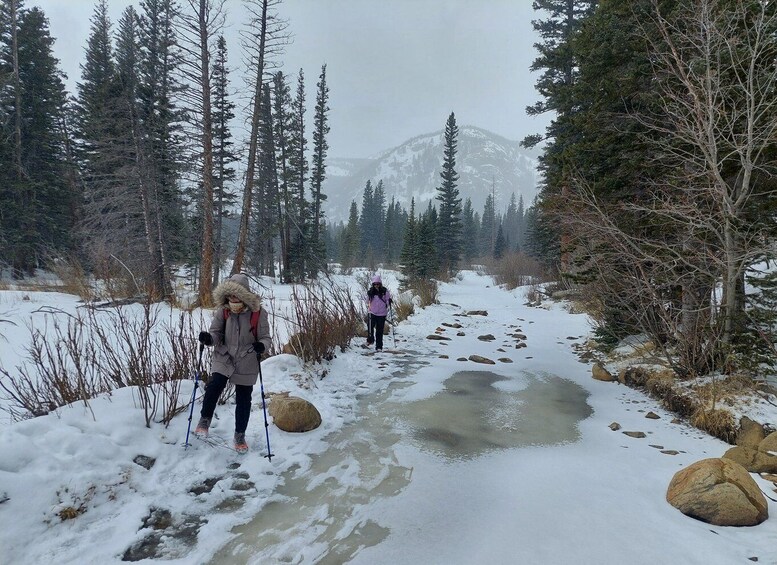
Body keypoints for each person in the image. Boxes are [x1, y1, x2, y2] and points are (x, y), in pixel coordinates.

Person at [195, 273, 271, 453]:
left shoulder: (258, 313)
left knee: (244, 398)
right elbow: (216, 333)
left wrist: (262, 346)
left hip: (247, 357)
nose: (231, 299)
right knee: (215, 385)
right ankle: (204, 420)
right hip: (225, 355)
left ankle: (239, 435)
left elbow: (266, 337)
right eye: (228, 296)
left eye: (235, 295)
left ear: (244, 295)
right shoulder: (224, 310)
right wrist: (208, 339)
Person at [366, 274, 392, 351]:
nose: (376, 285)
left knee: (379, 330)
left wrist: (389, 302)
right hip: (372, 312)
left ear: (380, 284)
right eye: (375, 284)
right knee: (370, 327)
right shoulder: (371, 292)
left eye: (378, 284)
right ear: (373, 284)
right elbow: (367, 301)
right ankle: (370, 340)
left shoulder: (384, 291)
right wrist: (369, 295)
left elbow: (387, 299)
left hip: (382, 313)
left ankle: (379, 347)